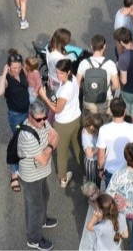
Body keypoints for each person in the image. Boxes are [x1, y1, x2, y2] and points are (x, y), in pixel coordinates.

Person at [17, 100, 60, 251]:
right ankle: (34, 238)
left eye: (44, 117)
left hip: (40, 172)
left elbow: (57, 136)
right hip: (31, 175)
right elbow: (42, 160)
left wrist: (47, 148)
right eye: (39, 119)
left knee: (45, 196)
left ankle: (42, 220)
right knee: (35, 206)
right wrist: (49, 146)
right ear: (30, 117)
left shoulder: (41, 122)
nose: (43, 122)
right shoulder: (27, 136)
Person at [38, 59, 82, 189]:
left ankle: (63, 178)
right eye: (57, 72)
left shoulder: (64, 91)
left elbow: (57, 109)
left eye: (61, 73)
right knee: (78, 147)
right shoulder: (73, 79)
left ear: (68, 72)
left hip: (63, 124)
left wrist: (44, 96)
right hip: (77, 118)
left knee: (61, 153)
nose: (58, 75)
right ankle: (84, 172)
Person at [0, 49, 31, 191]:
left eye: (19, 67)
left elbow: (28, 81)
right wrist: (5, 73)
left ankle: (26, 163)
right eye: (13, 68)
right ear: (8, 66)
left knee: (28, 138)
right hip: (16, 116)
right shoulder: (4, 79)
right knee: (17, 143)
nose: (17, 70)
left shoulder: (22, 71)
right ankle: (14, 174)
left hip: (28, 112)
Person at [95, 97, 133, 187]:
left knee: (112, 199)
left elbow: (101, 155)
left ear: (111, 111)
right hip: (129, 171)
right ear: (125, 111)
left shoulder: (104, 130)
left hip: (111, 171)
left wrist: (100, 169)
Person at [77, 34, 120, 115]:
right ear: (104, 46)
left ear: (91, 46)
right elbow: (116, 85)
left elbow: (77, 83)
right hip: (105, 101)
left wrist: (87, 88)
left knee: (89, 125)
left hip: (88, 102)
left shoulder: (84, 63)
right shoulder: (110, 64)